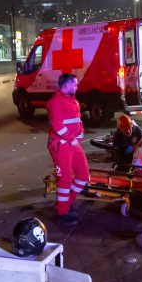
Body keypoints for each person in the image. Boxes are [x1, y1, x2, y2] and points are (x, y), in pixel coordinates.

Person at [47, 73, 90, 222]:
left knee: (83, 175)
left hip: (72, 143)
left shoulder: (72, 100)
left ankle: (65, 202)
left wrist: (80, 133)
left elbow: (78, 120)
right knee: (64, 179)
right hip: (61, 145)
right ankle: (62, 212)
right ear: (67, 85)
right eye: (75, 84)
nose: (77, 86)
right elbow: (57, 125)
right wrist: (72, 139)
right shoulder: (56, 102)